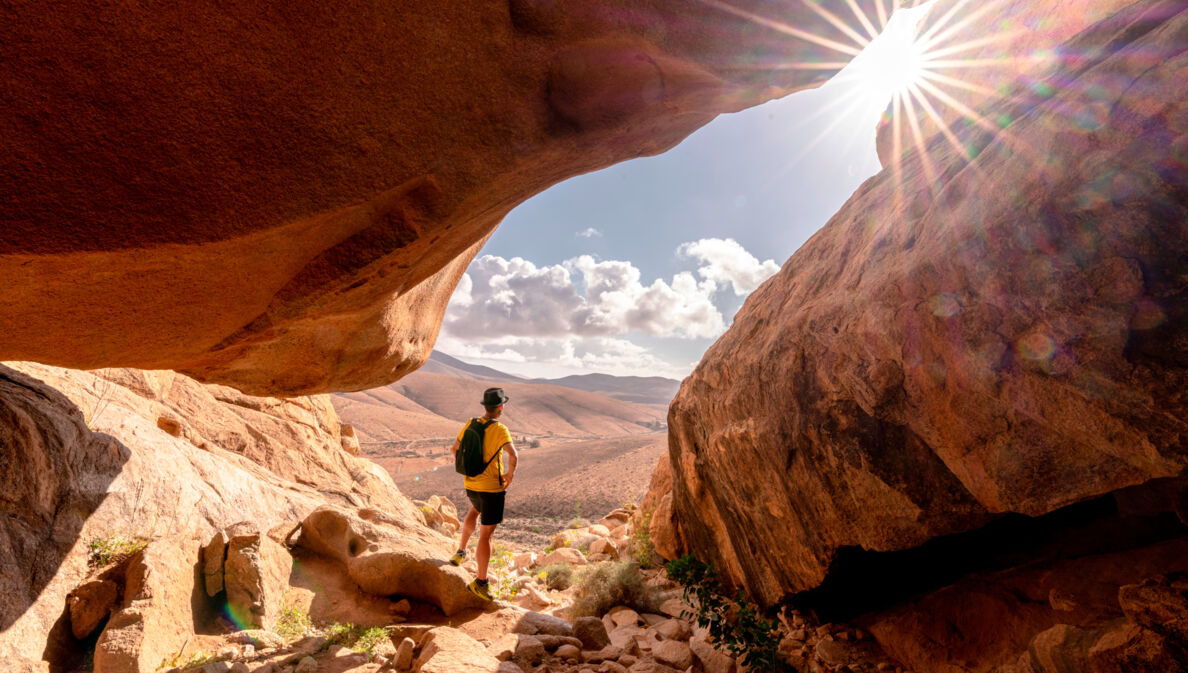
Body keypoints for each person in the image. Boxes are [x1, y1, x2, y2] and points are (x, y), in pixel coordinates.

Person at [449, 387, 518, 601]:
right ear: (500, 407)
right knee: (486, 535)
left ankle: (460, 552)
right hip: (491, 488)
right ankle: (481, 582)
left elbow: (454, 449)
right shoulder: (500, 429)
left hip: (471, 483)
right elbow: (513, 455)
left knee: (474, 510)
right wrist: (509, 474)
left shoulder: (471, 423)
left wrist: (471, 467)